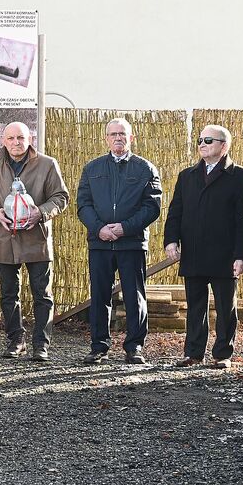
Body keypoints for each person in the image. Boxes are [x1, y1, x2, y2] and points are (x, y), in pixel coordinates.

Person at [0, 121, 70, 361]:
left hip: (37, 239)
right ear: (3, 141)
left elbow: (61, 196)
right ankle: (16, 340)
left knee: (42, 295)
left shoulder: (47, 165)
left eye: (21, 138)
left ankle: (41, 345)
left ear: (29, 140)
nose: (16, 143)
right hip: (4, 239)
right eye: (11, 138)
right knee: (8, 294)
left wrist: (41, 212)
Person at [164, 125, 243, 369]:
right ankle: (193, 352)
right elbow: (175, 212)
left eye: (208, 140)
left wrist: (242, 255)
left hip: (225, 254)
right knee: (195, 306)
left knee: (226, 307)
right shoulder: (187, 176)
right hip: (193, 251)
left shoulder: (239, 176)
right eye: (200, 140)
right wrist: (171, 240)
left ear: (223, 146)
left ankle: (223, 353)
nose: (202, 144)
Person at [77, 118, 162, 365]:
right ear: (105, 138)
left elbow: (152, 207)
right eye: (113, 134)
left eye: (122, 134)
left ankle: (134, 347)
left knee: (134, 296)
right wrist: (99, 228)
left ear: (131, 138)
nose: (118, 138)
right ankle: (98, 346)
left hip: (131, 243)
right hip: (99, 242)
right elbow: (83, 204)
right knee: (100, 295)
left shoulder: (145, 169)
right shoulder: (92, 169)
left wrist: (125, 228)